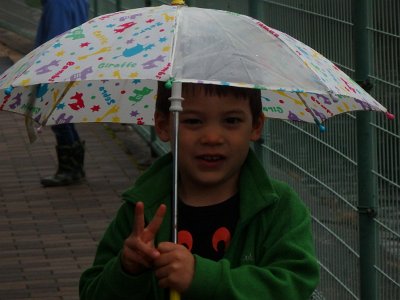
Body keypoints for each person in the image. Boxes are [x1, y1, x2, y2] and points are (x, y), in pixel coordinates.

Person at [79, 82, 320, 299]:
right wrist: (126, 270)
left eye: (232, 121)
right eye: (193, 121)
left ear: (256, 126)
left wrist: (202, 278)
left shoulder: (278, 208)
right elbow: (93, 292)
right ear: (163, 126)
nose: (212, 137)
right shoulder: (142, 210)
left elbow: (294, 285)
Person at [36, 0, 89, 187]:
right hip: (74, 61)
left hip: (57, 66)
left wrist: (42, 69)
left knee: (56, 116)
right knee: (63, 115)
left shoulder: (56, 3)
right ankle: (74, 167)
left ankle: (70, 169)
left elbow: (54, 38)